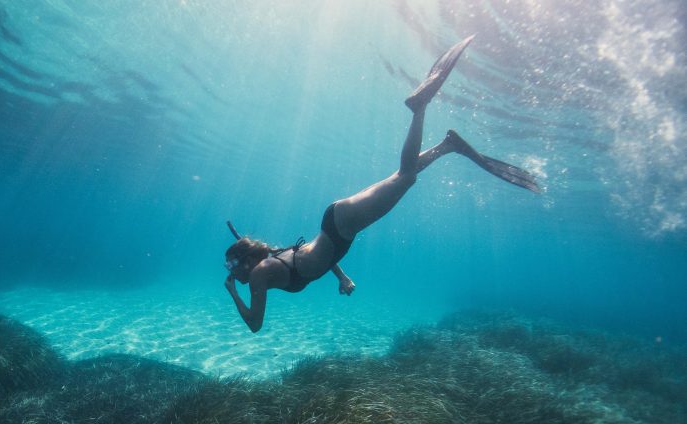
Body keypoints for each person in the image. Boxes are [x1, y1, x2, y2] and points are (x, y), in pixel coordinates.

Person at [224, 35, 539, 332]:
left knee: (405, 178)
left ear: (245, 261)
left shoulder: (260, 274)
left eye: (232, 266)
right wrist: (343, 277)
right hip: (337, 223)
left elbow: (255, 324)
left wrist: (232, 293)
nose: (232, 273)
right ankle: (447, 146)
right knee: (399, 177)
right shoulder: (270, 260)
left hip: (340, 227)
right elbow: (314, 258)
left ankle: (419, 109)